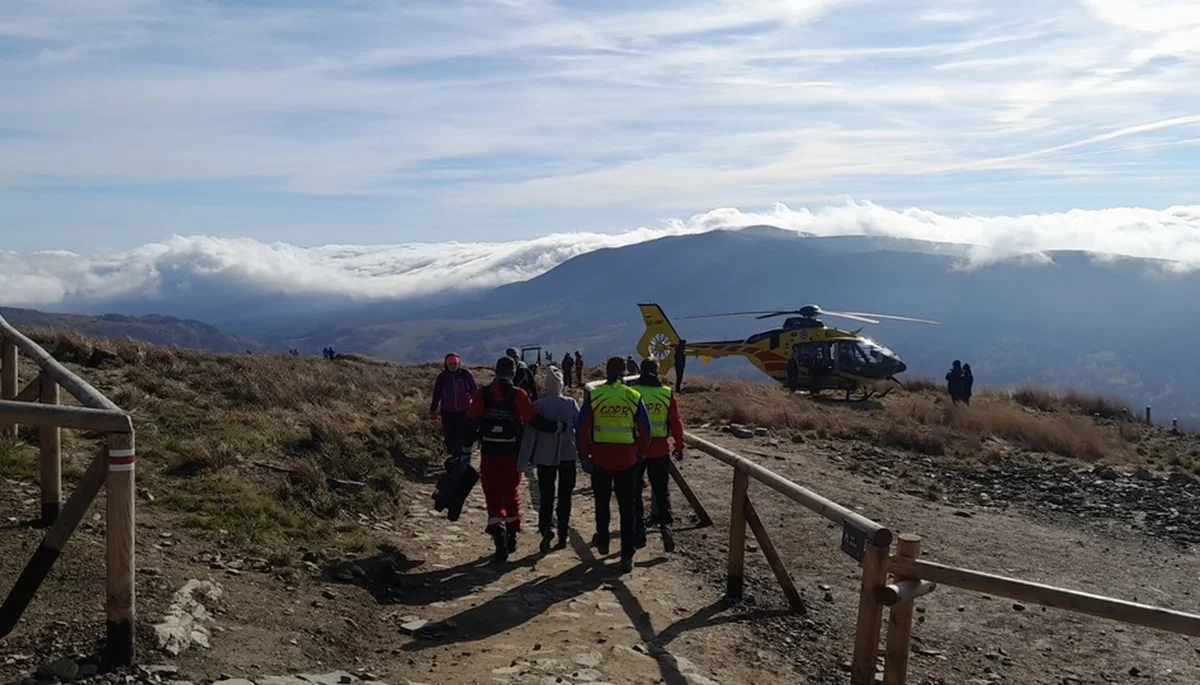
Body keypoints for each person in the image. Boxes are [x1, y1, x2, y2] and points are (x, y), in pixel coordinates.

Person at [576, 356, 652, 573]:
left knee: (602, 502)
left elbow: (581, 427)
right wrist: (641, 451)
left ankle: (602, 539)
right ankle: (627, 555)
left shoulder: (595, 395)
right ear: (624, 372)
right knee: (627, 508)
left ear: (606, 372)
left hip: (600, 457)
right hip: (627, 459)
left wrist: (584, 454)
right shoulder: (633, 396)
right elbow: (646, 430)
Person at [465, 356, 540, 562]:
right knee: (511, 491)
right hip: (511, 453)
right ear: (514, 372)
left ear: (495, 371)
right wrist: (561, 427)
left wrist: (464, 448)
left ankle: (497, 532)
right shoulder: (518, 394)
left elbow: (471, 421)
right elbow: (533, 418)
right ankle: (512, 533)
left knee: (492, 492)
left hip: (489, 452)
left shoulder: (483, 394)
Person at [518, 365, 580, 552]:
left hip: (544, 456)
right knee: (565, 495)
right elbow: (580, 428)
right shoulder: (571, 404)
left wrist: (522, 462)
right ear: (561, 385)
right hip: (568, 454)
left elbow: (529, 436)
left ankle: (546, 528)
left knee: (546, 495)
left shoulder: (539, 406)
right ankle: (563, 531)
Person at [629, 359, 685, 553]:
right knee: (661, 491)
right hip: (660, 447)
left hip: (636, 449)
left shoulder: (633, 393)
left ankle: (639, 530)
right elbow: (676, 422)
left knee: (635, 491)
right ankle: (665, 526)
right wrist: (679, 445)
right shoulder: (666, 393)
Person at [429, 353, 478, 459]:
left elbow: (474, 389)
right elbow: (437, 394)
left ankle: (461, 456)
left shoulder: (465, 374)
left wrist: (473, 399)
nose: (452, 365)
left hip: (464, 410)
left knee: (461, 434)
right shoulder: (442, 377)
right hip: (447, 411)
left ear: (458, 363)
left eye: (455, 363)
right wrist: (434, 410)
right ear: (446, 364)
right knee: (449, 436)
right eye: (450, 363)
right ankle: (454, 454)